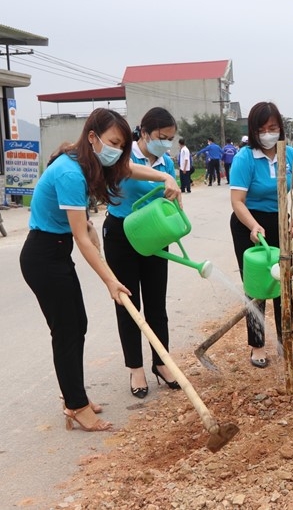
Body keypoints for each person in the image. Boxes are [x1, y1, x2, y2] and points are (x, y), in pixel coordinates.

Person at [19, 108, 179, 432]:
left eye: (122, 145)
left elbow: (129, 169)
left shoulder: (88, 163)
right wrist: (111, 281)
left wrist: (165, 176)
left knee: (76, 325)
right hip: (44, 256)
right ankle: (76, 406)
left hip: (56, 252)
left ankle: (74, 397)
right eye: (113, 142)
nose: (117, 151)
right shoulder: (70, 172)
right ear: (92, 137)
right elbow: (82, 237)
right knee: (66, 331)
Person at [103, 107, 183, 399]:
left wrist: (178, 217)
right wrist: (163, 180)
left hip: (155, 237)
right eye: (162, 137)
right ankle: (135, 367)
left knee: (156, 303)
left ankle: (162, 362)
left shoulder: (167, 165)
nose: (166, 143)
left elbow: (173, 203)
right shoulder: (123, 155)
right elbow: (124, 174)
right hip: (121, 234)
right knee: (128, 303)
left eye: (171, 139)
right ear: (145, 133)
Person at [229, 101, 293, 368]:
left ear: (280, 128)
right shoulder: (245, 158)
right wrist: (253, 225)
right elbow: (238, 201)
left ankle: (287, 342)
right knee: (257, 286)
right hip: (248, 224)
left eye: (273, 128)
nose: (268, 133)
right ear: (253, 131)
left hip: (280, 222)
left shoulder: (289, 156)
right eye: (262, 129)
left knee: (283, 282)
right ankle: (257, 346)